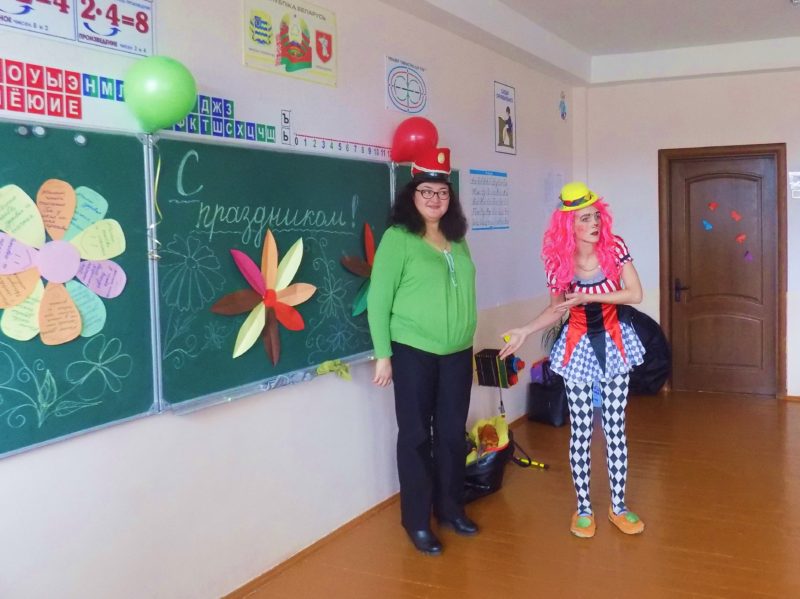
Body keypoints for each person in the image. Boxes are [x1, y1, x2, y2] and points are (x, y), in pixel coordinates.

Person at [500, 181, 646, 539]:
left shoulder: (615, 247)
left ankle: (618, 507)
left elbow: (635, 294)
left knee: (614, 428)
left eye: (596, 216)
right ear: (569, 224)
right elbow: (556, 309)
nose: (594, 223)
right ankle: (583, 509)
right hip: (577, 347)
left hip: (614, 343)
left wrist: (588, 298)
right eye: (585, 218)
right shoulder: (557, 261)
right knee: (580, 430)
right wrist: (524, 331)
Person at [367, 146, 478, 555]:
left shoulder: (457, 239)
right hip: (413, 350)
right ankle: (416, 521)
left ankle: (450, 509)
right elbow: (379, 299)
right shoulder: (398, 239)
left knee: (451, 434)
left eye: (442, 192)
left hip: (457, 351)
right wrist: (383, 354)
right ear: (412, 195)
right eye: (426, 191)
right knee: (415, 435)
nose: (435, 199)